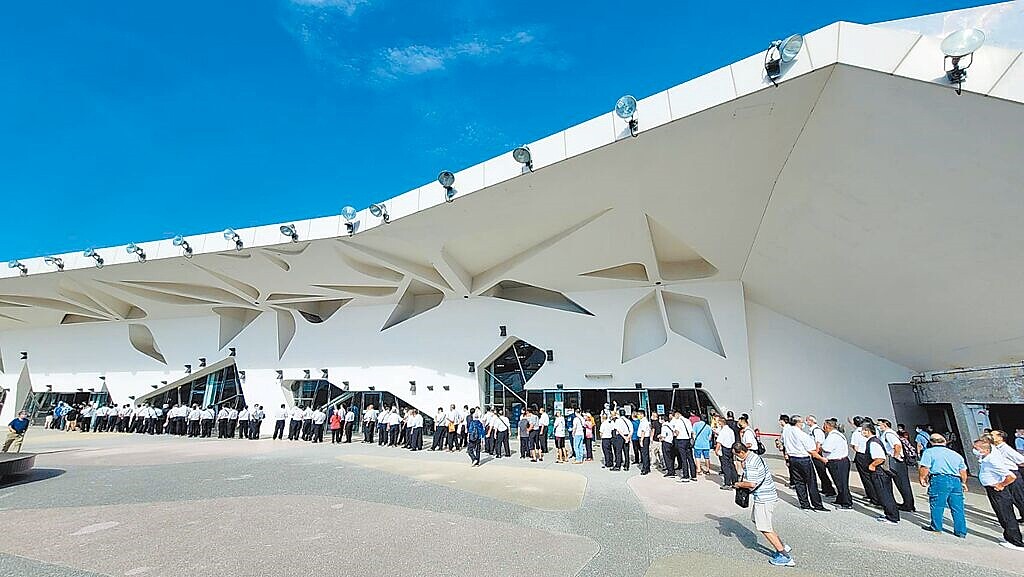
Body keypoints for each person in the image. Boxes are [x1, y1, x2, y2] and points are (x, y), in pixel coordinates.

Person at [733, 442, 794, 567]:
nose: (736, 458)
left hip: (764, 498)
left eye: (736, 455)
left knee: (764, 527)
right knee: (757, 519)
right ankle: (782, 545)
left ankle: (784, 556)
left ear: (741, 452)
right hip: (768, 494)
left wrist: (738, 484)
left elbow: (752, 484)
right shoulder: (754, 456)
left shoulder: (750, 463)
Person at [973, 438, 1024, 550]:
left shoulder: (992, 460)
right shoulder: (985, 458)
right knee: (1001, 514)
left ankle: (1015, 541)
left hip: (997, 490)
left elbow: (1011, 476)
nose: (974, 450)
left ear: (984, 450)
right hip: (992, 488)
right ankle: (1008, 536)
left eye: (976, 448)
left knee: (1006, 514)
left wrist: (1001, 485)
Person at [918, 433, 967, 537]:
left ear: (931, 442)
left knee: (937, 504)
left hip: (940, 479)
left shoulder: (929, 452)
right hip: (956, 480)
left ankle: (936, 527)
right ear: (944, 442)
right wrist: (963, 482)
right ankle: (961, 531)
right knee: (958, 507)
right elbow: (962, 471)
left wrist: (922, 478)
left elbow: (925, 467)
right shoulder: (955, 454)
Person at [781, 415, 827, 511]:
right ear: (798, 423)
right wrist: (822, 459)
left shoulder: (786, 432)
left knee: (799, 482)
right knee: (811, 482)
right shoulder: (802, 435)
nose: (803, 424)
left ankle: (804, 504)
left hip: (793, 459)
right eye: (802, 422)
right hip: (803, 459)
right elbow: (812, 450)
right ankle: (817, 505)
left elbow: (783, 443)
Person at [863, 422, 899, 524]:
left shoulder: (873, 442)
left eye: (863, 430)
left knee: (884, 494)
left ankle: (892, 517)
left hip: (879, 473)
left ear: (867, 431)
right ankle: (890, 513)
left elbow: (880, 458)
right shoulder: (874, 441)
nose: (862, 432)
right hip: (881, 473)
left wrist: (872, 465)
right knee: (886, 494)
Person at [879, 419, 915, 512]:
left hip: (897, 461)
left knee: (902, 483)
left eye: (880, 424)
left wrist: (895, 456)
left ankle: (908, 505)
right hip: (896, 460)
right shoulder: (887, 433)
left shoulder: (889, 434)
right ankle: (907, 503)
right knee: (900, 483)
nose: (879, 426)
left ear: (885, 425)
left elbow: (897, 445)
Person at [817, 418, 853, 509]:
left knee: (841, 483)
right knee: (839, 482)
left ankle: (846, 503)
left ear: (828, 426)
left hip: (837, 462)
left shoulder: (833, 436)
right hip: (840, 461)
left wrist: (820, 447)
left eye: (824, 425)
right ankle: (840, 499)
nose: (823, 427)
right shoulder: (838, 434)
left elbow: (827, 448)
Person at [989, 430, 1024, 522]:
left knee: (1019, 497)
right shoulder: (994, 448)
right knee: (1011, 498)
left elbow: (1021, 460)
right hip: (1003, 475)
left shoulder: (1006, 449)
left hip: (1012, 474)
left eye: (993, 435)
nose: (990, 436)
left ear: (1000, 438)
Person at [849, 416, 879, 506]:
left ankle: (873, 498)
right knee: (872, 476)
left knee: (865, 478)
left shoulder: (856, 433)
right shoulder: (871, 431)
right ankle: (875, 495)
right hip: (871, 455)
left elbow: (854, 446)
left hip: (861, 456)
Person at [805, 415, 836, 497]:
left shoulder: (816, 430)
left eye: (807, 420)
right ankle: (825, 488)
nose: (806, 422)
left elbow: (819, 443)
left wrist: (816, 453)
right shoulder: (812, 430)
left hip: (818, 453)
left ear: (811, 421)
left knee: (822, 472)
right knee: (820, 472)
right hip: (815, 453)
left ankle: (830, 490)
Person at [670, 411, 695, 482]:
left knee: (683, 458)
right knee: (690, 458)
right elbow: (691, 431)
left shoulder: (678, 421)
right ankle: (693, 475)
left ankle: (686, 475)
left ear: (677, 415)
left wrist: (673, 433)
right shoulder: (688, 420)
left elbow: (677, 432)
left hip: (681, 440)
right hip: (688, 440)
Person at [711, 415, 735, 488]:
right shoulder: (730, 430)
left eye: (718, 422)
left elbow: (719, 442)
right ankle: (735, 480)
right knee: (731, 465)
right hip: (730, 448)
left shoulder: (723, 431)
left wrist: (716, 450)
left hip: (724, 449)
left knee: (725, 466)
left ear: (721, 423)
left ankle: (727, 483)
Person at [692, 414, 712, 478]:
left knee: (697, 457)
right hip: (706, 444)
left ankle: (698, 470)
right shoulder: (708, 427)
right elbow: (710, 437)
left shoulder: (695, 425)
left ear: (699, 418)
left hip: (698, 444)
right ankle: (707, 469)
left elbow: (694, 434)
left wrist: (695, 440)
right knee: (707, 457)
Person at [637, 410, 652, 475]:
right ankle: (647, 467)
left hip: (644, 438)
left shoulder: (644, 422)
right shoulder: (645, 421)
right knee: (646, 453)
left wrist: (641, 440)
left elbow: (643, 431)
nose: (638, 416)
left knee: (644, 454)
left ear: (642, 414)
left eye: (639, 414)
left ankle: (645, 468)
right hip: (646, 438)